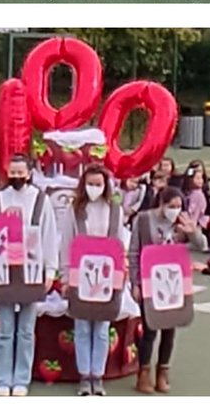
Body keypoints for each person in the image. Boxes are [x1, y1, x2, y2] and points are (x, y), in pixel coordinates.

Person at [0, 152, 59, 397]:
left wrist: (50, 269)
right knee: (6, 329)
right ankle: (4, 378)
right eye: (12, 172)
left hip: (32, 270)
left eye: (20, 172)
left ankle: (22, 379)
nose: (16, 177)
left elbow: (49, 235)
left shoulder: (40, 200)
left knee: (26, 329)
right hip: (4, 270)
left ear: (29, 173)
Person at [62, 163, 127, 396]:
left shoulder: (115, 210)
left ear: (106, 185)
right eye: (90, 184)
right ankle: (84, 375)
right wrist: (65, 276)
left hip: (107, 278)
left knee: (101, 328)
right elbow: (66, 244)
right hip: (81, 276)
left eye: (98, 184)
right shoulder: (75, 210)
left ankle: (97, 375)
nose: (94, 188)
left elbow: (120, 245)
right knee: (81, 327)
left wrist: (120, 277)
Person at [129, 186, 192, 394]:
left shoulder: (181, 223)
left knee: (169, 330)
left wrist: (192, 232)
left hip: (173, 281)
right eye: (171, 206)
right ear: (162, 204)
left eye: (179, 207)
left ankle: (163, 372)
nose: (175, 210)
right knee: (149, 330)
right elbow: (134, 252)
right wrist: (135, 283)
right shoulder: (144, 220)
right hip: (150, 281)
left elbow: (202, 245)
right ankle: (143, 373)